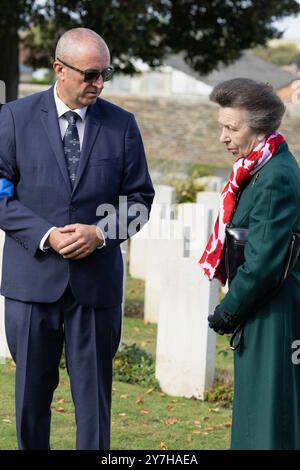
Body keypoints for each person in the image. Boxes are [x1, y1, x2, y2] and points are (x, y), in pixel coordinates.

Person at [0, 28, 154, 450]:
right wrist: (46, 235)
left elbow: (140, 199)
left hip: (96, 285)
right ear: (59, 69)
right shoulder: (14, 117)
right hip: (32, 283)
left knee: (94, 401)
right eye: (90, 74)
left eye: (104, 74)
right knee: (31, 400)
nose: (99, 84)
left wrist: (101, 234)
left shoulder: (122, 124)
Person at [199, 78, 300, 450]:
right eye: (222, 126)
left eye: (232, 128)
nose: (223, 137)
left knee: (267, 422)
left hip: (272, 313)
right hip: (262, 309)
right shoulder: (256, 170)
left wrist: (226, 312)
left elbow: (263, 264)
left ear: (259, 128)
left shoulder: (274, 177)